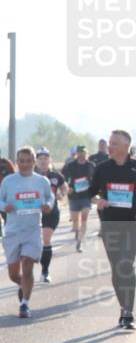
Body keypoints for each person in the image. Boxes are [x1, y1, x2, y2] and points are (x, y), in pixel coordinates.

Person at [0, 147, 55, 318]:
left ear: (34, 162)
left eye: (28, 161)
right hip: (13, 231)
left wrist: (48, 205)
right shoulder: (9, 181)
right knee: (14, 275)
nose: (25, 164)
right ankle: (23, 284)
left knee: (27, 264)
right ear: (17, 162)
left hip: (32, 230)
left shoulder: (42, 181)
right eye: (21, 161)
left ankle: (25, 304)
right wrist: (4, 207)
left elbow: (50, 197)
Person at [90, 130, 136, 330]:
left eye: (115, 143)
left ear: (126, 146)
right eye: (110, 142)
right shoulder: (102, 168)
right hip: (110, 225)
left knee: (126, 266)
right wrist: (97, 200)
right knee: (117, 268)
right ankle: (123, 307)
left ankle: (128, 312)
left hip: (132, 224)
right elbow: (91, 193)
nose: (110, 146)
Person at [35, 147, 66, 283]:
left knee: (46, 239)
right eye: (40, 159)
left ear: (50, 160)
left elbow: (64, 188)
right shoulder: (30, 176)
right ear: (36, 161)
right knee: (36, 242)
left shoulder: (56, 175)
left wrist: (61, 194)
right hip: (34, 213)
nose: (43, 161)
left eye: (45, 158)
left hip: (51, 212)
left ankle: (45, 271)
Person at [63, 144, 97, 252]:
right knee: (75, 221)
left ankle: (80, 242)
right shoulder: (70, 165)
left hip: (86, 196)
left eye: (83, 153)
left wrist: (96, 191)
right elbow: (63, 179)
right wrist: (67, 187)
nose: (81, 155)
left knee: (84, 217)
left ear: (87, 154)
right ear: (76, 154)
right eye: (79, 153)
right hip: (74, 196)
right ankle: (77, 232)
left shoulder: (91, 165)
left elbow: (96, 178)